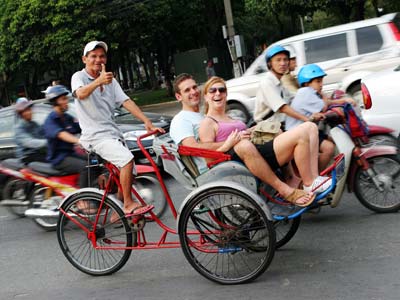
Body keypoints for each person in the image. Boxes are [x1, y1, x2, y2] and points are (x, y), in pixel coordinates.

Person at [170, 74, 329, 207]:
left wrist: (252, 130)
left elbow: (235, 134)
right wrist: (229, 143)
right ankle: (299, 184)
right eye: (212, 90)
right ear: (179, 96)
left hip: (251, 150)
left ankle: (310, 178)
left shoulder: (214, 116)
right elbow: (196, 149)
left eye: (221, 90)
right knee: (298, 134)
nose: (217, 93)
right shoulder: (190, 120)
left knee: (309, 127)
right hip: (235, 161)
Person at [71, 40, 164, 216]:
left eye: (102, 56)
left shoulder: (110, 81)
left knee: (132, 171)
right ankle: (128, 204)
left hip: (113, 134)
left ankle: (118, 211)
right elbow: (81, 94)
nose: (98, 60)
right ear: (85, 59)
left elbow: (125, 101)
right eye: (93, 56)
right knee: (127, 160)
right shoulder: (79, 77)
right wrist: (98, 81)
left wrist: (146, 121)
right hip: (95, 137)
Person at [285, 64, 356, 170]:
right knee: (329, 148)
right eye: (318, 81)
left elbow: (327, 102)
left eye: (321, 81)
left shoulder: (309, 92)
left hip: (307, 131)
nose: (321, 84)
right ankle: (317, 176)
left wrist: (342, 100)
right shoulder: (305, 93)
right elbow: (324, 106)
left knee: (334, 140)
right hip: (299, 134)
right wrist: (341, 100)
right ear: (307, 83)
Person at [254, 45, 324, 125]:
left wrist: (313, 113)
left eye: (285, 60)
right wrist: (307, 119)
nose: (283, 63)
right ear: (270, 64)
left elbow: (295, 99)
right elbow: (283, 108)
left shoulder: (280, 83)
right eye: (278, 60)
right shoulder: (267, 82)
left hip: (281, 124)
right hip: (266, 127)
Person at [42, 85, 93, 188]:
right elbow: (61, 134)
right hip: (59, 159)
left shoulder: (66, 117)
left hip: (70, 153)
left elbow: (82, 127)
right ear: (55, 102)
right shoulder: (50, 120)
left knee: (94, 161)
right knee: (85, 166)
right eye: (63, 99)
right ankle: (82, 198)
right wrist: (79, 141)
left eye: (66, 98)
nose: (66, 101)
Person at [14, 98, 47, 164]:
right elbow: (29, 142)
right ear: (21, 113)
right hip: (26, 158)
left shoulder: (34, 124)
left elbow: (43, 133)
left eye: (29, 109)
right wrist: (49, 141)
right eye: (26, 110)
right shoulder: (19, 128)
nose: (30, 112)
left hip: (37, 154)